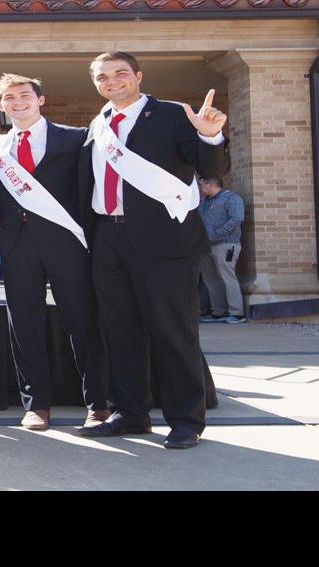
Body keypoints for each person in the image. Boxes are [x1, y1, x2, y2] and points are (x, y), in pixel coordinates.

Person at [76, 52, 229, 449]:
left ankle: (185, 420)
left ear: (138, 76)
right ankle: (131, 412)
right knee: (120, 332)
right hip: (108, 238)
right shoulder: (98, 124)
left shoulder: (172, 115)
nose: (112, 81)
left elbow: (210, 167)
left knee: (173, 332)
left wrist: (210, 136)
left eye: (120, 73)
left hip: (164, 241)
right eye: (103, 77)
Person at [0, 73, 109, 431]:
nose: (17, 101)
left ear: (41, 99)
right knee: (24, 326)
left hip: (67, 244)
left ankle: (98, 403)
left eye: (24, 95)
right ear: (1, 105)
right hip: (17, 248)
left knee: (83, 323)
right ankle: (36, 405)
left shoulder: (75, 137)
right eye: (9, 97)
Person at [197, 176, 246, 324]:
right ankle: (218, 312)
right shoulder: (204, 202)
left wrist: (218, 233)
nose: (200, 188)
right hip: (206, 246)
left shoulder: (231, 198)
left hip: (226, 244)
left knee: (227, 277)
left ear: (210, 184)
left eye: (201, 185)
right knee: (210, 279)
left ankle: (237, 313)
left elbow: (237, 218)